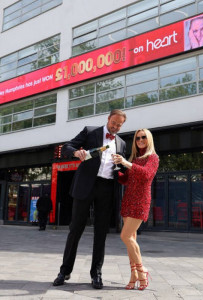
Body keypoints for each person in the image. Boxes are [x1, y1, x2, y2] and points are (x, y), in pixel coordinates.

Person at [53, 109, 127, 289]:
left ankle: (96, 274)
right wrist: (76, 153)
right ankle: (64, 271)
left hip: (107, 188)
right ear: (108, 118)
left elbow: (122, 170)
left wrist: (121, 163)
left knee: (101, 232)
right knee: (75, 229)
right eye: (114, 123)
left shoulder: (122, 143)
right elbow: (67, 146)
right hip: (86, 185)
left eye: (119, 125)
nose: (116, 127)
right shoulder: (90, 131)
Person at [112, 129, 159, 291]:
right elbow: (126, 179)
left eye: (143, 137)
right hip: (128, 200)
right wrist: (117, 169)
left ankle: (142, 271)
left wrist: (126, 163)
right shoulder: (135, 158)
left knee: (125, 236)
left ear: (149, 139)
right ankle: (133, 276)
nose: (140, 140)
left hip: (140, 202)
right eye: (137, 138)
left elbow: (146, 175)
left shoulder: (153, 157)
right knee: (130, 240)